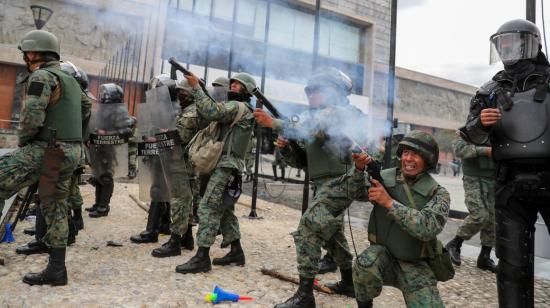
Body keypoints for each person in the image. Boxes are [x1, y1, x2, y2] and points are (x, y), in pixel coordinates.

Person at [254, 68, 365, 307]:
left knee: (308, 229)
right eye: (309, 91)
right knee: (332, 236)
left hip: (342, 181)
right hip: (324, 183)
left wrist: (274, 122)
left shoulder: (343, 112)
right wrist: (286, 147)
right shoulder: (311, 119)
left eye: (318, 90)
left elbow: (317, 126)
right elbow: (302, 161)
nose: (311, 95)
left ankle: (305, 296)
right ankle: (348, 282)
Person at [460, 19, 550, 307]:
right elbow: (469, 133)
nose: (506, 49)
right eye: (502, 44)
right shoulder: (490, 90)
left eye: (512, 42)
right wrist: (481, 123)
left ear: (530, 44)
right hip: (508, 185)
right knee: (511, 267)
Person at [0, 30, 83, 286]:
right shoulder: (70, 79)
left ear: (34, 52)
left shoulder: (42, 76)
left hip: (46, 148)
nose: (25, 56)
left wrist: (24, 143)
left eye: (26, 52)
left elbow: (32, 116)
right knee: (55, 205)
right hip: (70, 150)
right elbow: (87, 109)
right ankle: (57, 270)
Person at [349, 130, 450, 308]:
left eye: (416, 154)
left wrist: (389, 203)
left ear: (428, 160)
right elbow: (353, 193)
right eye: (406, 153)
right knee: (363, 264)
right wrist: (358, 169)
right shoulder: (383, 177)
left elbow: (427, 228)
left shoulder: (438, 193)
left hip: (415, 263)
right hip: (383, 257)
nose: (408, 159)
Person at [175, 72, 255, 274]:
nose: (233, 86)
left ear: (247, 90)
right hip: (225, 163)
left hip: (226, 165)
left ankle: (202, 257)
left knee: (208, 207)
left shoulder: (238, 106)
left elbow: (212, 111)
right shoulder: (236, 107)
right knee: (224, 209)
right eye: (233, 83)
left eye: (238, 84)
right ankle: (236, 250)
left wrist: (197, 89)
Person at [15, 61, 92, 255]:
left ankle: (60, 235)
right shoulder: (75, 98)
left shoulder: (75, 98)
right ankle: (47, 237)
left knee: (58, 197)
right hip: (64, 150)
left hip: (62, 150)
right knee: (51, 196)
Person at [151, 79, 209, 257]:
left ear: (191, 93)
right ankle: (187, 238)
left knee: (179, 201)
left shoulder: (191, 112)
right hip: (187, 163)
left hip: (181, 163)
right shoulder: (191, 110)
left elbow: (180, 137)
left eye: (183, 92)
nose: (180, 95)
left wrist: (162, 133)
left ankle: (175, 241)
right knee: (187, 201)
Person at [445, 133, 497, 272]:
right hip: (473, 178)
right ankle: (455, 244)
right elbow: (459, 149)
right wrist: (486, 150)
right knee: (480, 216)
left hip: (494, 179)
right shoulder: (469, 130)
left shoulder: (501, 129)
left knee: (492, 219)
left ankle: (484, 257)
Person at [85, 83, 132, 218]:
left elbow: (126, 131)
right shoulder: (103, 109)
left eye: (106, 94)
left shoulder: (119, 111)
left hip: (109, 148)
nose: (103, 96)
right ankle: (97, 203)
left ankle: (103, 207)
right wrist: (91, 137)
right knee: (98, 176)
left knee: (105, 177)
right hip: (98, 147)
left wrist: (106, 133)